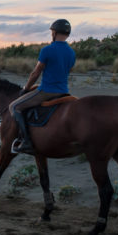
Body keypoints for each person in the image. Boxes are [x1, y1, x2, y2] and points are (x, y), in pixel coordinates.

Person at [8, 19, 76, 155]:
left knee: (14, 107)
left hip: (47, 91)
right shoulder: (71, 52)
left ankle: (26, 142)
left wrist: (26, 89)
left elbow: (35, 73)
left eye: (52, 32)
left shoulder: (47, 50)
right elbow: (67, 71)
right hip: (64, 91)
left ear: (54, 33)